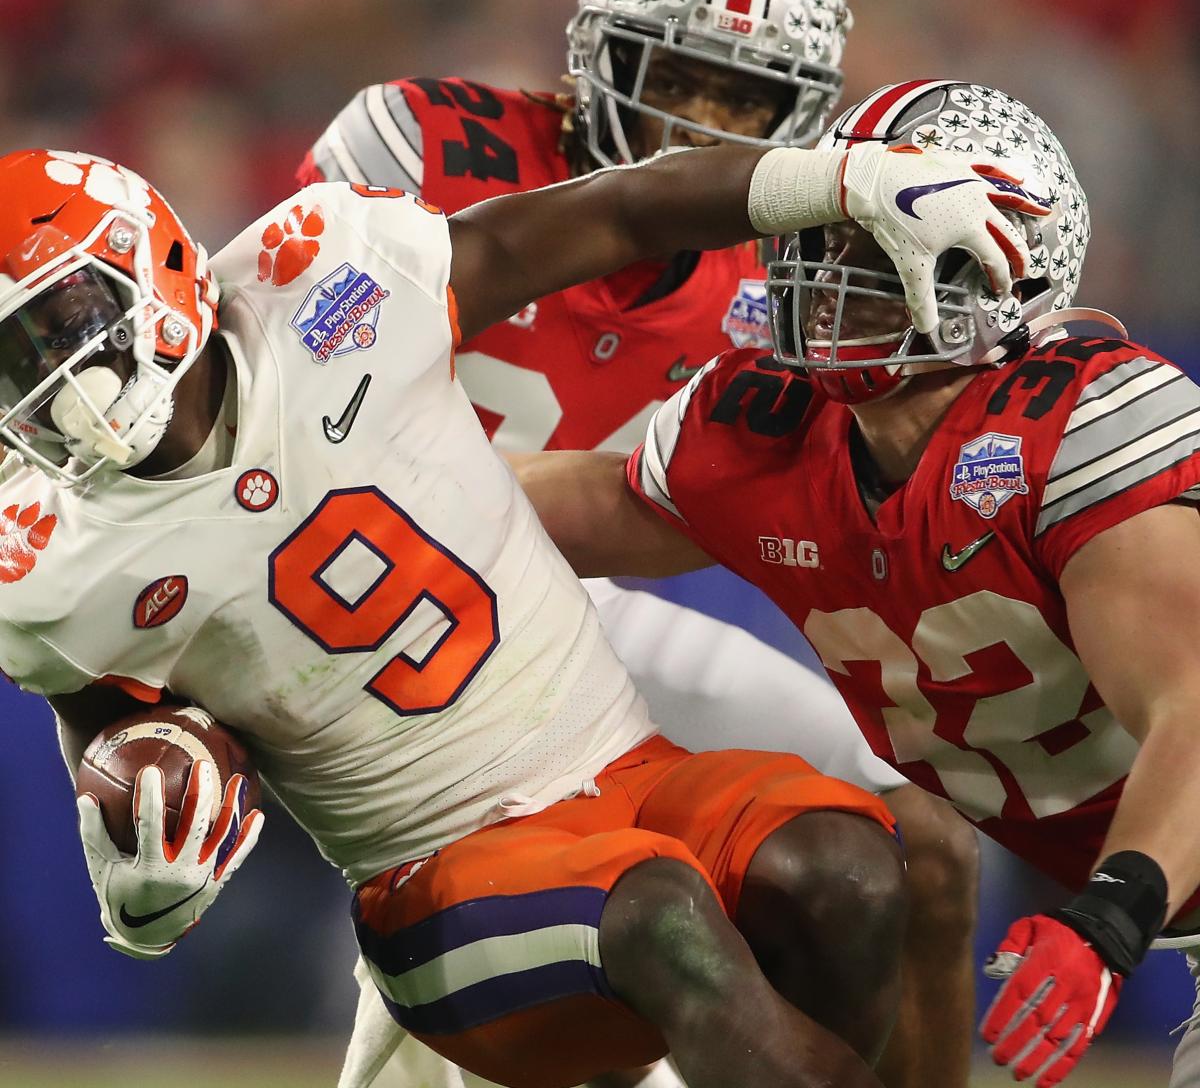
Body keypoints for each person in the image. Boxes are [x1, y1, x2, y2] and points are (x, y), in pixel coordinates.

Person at [0, 139, 1031, 1086]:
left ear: (155, 266)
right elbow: (113, 738)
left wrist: (833, 179)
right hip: (438, 874)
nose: (47, 378)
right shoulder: (50, 555)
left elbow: (621, 212)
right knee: (664, 915)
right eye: (12, 358)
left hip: (630, 769)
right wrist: (137, 873)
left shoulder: (325, 274)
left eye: (58, 323)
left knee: (848, 871)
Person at [302, 0, 980, 1084]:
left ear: (801, 117)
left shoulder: (786, 270)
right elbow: (270, 395)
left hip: (565, 617)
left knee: (922, 848)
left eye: (745, 101)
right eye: (675, 74)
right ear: (597, 53)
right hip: (371, 624)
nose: (698, 127)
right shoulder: (418, 151)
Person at [513, 77, 1200, 1088]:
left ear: (997, 270)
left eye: (876, 250)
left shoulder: (1078, 426)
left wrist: (1109, 916)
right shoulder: (773, 433)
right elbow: (534, 511)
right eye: (828, 236)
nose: (828, 275)